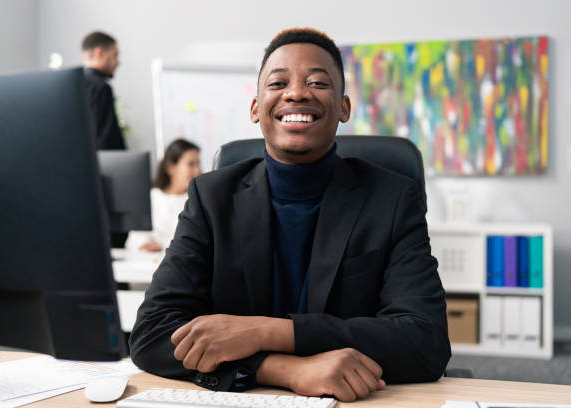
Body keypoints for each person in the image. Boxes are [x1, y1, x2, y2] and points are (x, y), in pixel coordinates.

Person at [129, 28, 451, 402]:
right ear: (255, 108)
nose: (297, 92)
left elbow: (425, 341)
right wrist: (282, 369)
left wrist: (265, 332)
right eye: (278, 82)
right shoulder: (211, 197)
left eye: (317, 82)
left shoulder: (391, 198)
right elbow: (152, 333)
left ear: (344, 107)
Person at [125, 139, 201, 252]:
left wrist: (163, 246)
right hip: (151, 263)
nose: (198, 171)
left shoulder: (198, 201)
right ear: (171, 168)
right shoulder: (152, 198)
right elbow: (134, 240)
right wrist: (144, 244)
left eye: (198, 164)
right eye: (191, 164)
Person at [81, 31, 125, 150]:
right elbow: (106, 140)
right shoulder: (100, 88)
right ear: (99, 53)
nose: (118, 62)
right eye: (115, 56)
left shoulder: (76, 85)